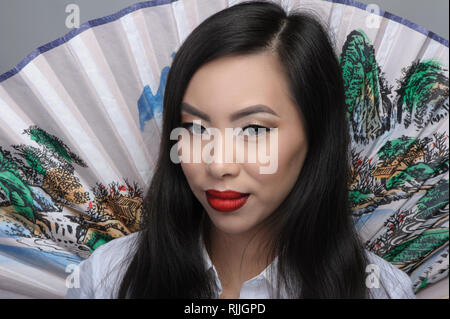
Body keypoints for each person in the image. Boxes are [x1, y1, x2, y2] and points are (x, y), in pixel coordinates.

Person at [65, 0, 416, 299]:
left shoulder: (379, 290)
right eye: (195, 128)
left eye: (253, 129)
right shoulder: (106, 279)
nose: (219, 165)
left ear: (316, 135)